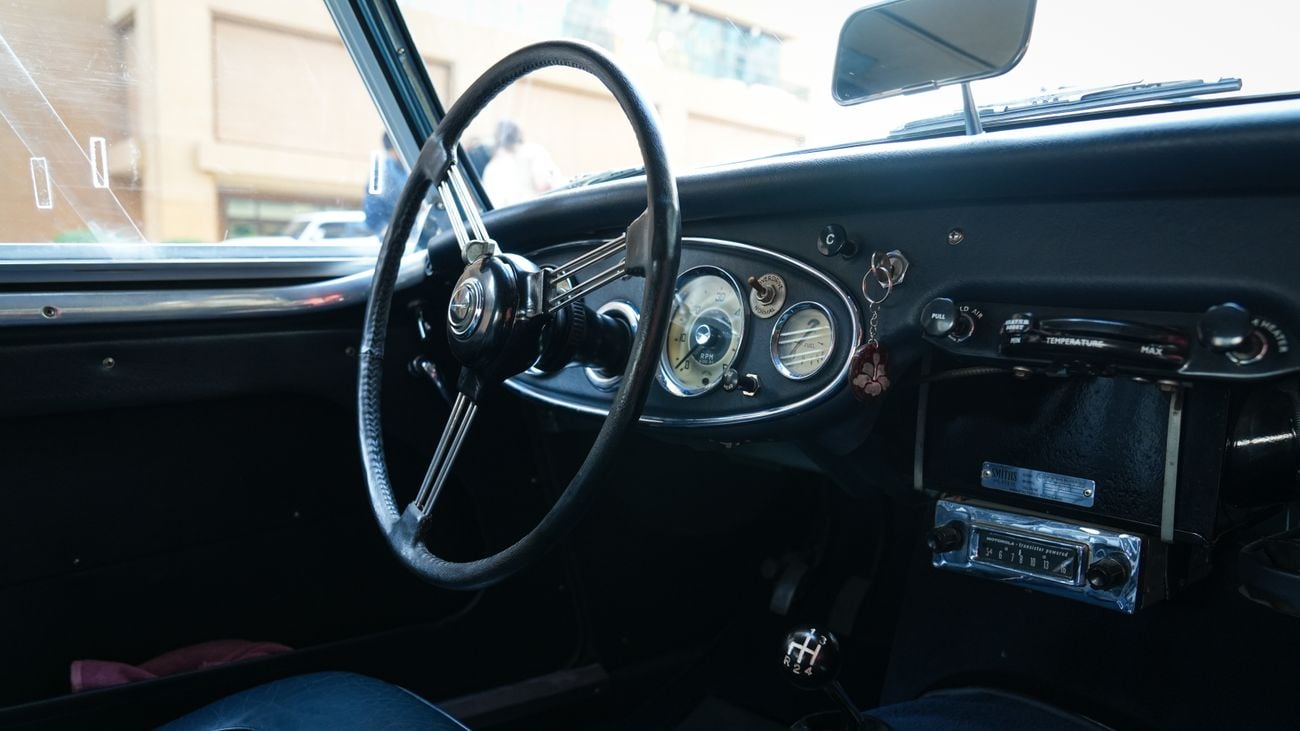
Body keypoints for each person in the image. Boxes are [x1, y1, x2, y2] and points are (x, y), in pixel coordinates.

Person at [363, 133, 447, 249]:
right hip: (396, 239)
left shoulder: (407, 167)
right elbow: (373, 215)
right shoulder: (383, 173)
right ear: (394, 148)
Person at [481, 120, 561, 207]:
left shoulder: (490, 169)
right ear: (519, 134)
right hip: (538, 212)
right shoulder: (533, 152)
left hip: (509, 218)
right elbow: (544, 185)